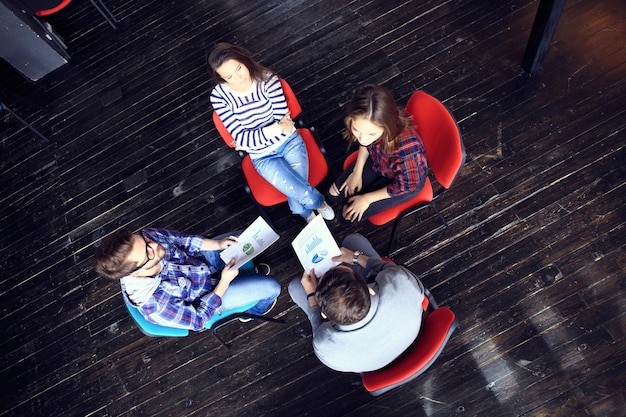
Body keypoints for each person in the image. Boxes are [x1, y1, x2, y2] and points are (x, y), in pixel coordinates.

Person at [208, 42, 334, 223]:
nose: (238, 78)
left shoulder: (267, 79)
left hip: (289, 142)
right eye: (229, 76)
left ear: (245, 60)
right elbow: (257, 133)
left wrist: (250, 139)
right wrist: (274, 128)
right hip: (263, 157)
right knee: (302, 195)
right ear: (221, 78)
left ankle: (308, 212)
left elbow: (284, 128)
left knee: (297, 205)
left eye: (239, 68)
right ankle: (318, 203)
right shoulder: (219, 97)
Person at [95, 227, 281, 331]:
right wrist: (224, 282)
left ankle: (245, 278)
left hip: (200, 265)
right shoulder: (156, 306)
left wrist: (217, 244)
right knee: (273, 288)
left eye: (144, 239)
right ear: (134, 273)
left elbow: (183, 240)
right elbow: (199, 320)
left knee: (242, 237)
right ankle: (254, 312)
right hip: (208, 297)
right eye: (148, 251)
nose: (155, 243)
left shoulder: (147, 238)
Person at [288, 233, 425, 373]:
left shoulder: (323, 345)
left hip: (374, 362)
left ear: (324, 314)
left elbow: (317, 328)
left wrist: (311, 294)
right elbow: (388, 268)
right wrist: (355, 257)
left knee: (294, 286)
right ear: (369, 288)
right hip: (408, 335)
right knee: (353, 240)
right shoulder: (400, 282)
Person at [327, 84, 428, 222]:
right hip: (380, 162)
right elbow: (366, 145)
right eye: (357, 130)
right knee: (333, 195)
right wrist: (357, 172)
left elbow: (406, 186)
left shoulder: (408, 154)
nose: (362, 139)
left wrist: (367, 199)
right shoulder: (370, 130)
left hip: (404, 181)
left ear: (387, 125)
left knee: (347, 216)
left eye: (371, 134)